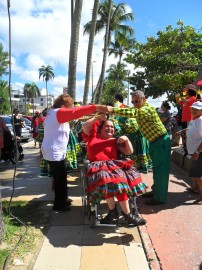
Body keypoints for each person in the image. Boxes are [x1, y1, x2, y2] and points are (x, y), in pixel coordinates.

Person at [41, 94, 107, 212]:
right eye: (69, 107)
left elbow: (75, 116)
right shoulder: (58, 113)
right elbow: (76, 112)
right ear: (63, 106)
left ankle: (62, 199)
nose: (70, 109)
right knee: (60, 178)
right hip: (54, 151)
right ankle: (59, 204)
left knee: (61, 177)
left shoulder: (54, 113)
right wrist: (95, 107)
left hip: (54, 150)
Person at [106, 90, 171, 205]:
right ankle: (156, 191)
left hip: (160, 141)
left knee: (161, 170)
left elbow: (132, 113)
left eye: (137, 101)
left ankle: (160, 197)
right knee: (157, 169)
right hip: (154, 142)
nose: (135, 103)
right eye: (133, 102)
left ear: (144, 99)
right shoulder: (140, 109)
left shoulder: (146, 109)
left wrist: (112, 110)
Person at [82, 114, 147, 226]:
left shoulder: (115, 140)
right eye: (107, 126)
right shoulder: (93, 136)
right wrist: (99, 117)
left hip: (114, 168)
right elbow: (85, 126)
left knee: (119, 181)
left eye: (112, 127)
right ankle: (122, 214)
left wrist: (126, 140)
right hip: (98, 168)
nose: (110, 128)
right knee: (107, 179)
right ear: (100, 128)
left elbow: (129, 152)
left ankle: (122, 214)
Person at [186, 101, 202, 204]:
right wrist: (183, 131)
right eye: (192, 109)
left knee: (197, 175)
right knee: (194, 173)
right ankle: (195, 188)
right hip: (193, 151)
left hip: (198, 152)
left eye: (196, 109)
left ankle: (201, 195)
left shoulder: (200, 121)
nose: (193, 111)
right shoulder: (195, 119)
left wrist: (197, 151)